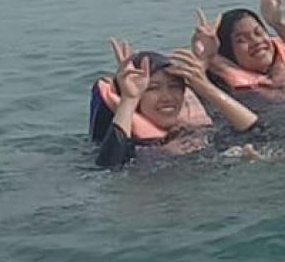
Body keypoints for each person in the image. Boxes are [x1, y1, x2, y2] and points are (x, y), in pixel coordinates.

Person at [90, 39, 259, 169]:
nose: (167, 97)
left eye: (174, 87)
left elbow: (258, 133)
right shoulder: (134, 149)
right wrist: (129, 98)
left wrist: (205, 86)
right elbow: (109, 167)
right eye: (153, 88)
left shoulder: (196, 131)